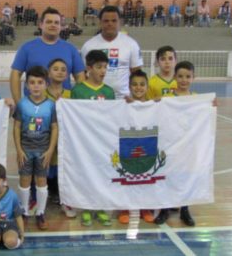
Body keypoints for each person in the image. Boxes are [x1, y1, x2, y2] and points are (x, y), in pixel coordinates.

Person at [154, 61, 204, 226]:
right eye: (181, 76)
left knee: (187, 176)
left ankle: (185, 210)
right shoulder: (167, 99)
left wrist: (211, 107)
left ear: (193, 78)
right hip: (170, 145)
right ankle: (164, 209)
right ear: (175, 77)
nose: (184, 80)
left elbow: (203, 117)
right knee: (167, 175)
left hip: (188, 147)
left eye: (188, 76)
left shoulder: (197, 99)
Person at [70, 50, 115, 226]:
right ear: (89, 68)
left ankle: (102, 207)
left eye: (105, 67)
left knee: (103, 173)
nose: (103, 71)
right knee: (87, 174)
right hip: (85, 142)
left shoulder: (109, 92)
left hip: (104, 142)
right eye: (98, 67)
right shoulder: (78, 91)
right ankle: (87, 208)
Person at [13, 66, 57, 230]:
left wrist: (50, 149)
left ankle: (40, 212)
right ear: (27, 85)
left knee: (41, 181)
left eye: (40, 82)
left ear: (46, 84)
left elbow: (54, 128)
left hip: (43, 151)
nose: (36, 86)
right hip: (25, 150)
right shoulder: (22, 104)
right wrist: (19, 149)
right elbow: (17, 127)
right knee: (24, 181)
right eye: (32, 82)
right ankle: (24, 212)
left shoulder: (51, 105)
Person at [10, 7, 85, 103]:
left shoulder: (71, 49)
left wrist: (77, 102)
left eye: (56, 22)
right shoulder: (26, 48)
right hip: (34, 105)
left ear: (61, 26)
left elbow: (80, 76)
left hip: (64, 105)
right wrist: (18, 103)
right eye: (49, 22)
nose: (53, 25)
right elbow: (15, 75)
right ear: (41, 25)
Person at [81, 6, 143, 99]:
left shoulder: (131, 44)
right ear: (100, 22)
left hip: (123, 99)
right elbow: (84, 74)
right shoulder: (88, 46)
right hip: (95, 99)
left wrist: (135, 96)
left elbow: (137, 73)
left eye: (114, 21)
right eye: (106, 21)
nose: (110, 23)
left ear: (120, 22)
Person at [119, 70, 155, 224]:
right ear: (129, 86)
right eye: (134, 84)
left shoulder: (154, 105)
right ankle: (124, 208)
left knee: (146, 176)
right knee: (126, 175)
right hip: (128, 144)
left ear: (147, 87)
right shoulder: (122, 105)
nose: (138, 88)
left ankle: (144, 208)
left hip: (146, 145)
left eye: (142, 84)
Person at [44, 58, 76, 218]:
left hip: (66, 140)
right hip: (46, 139)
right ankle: (47, 193)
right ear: (48, 73)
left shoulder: (71, 95)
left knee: (64, 166)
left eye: (63, 69)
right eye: (55, 68)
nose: (60, 72)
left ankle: (62, 196)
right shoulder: (41, 93)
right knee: (48, 166)